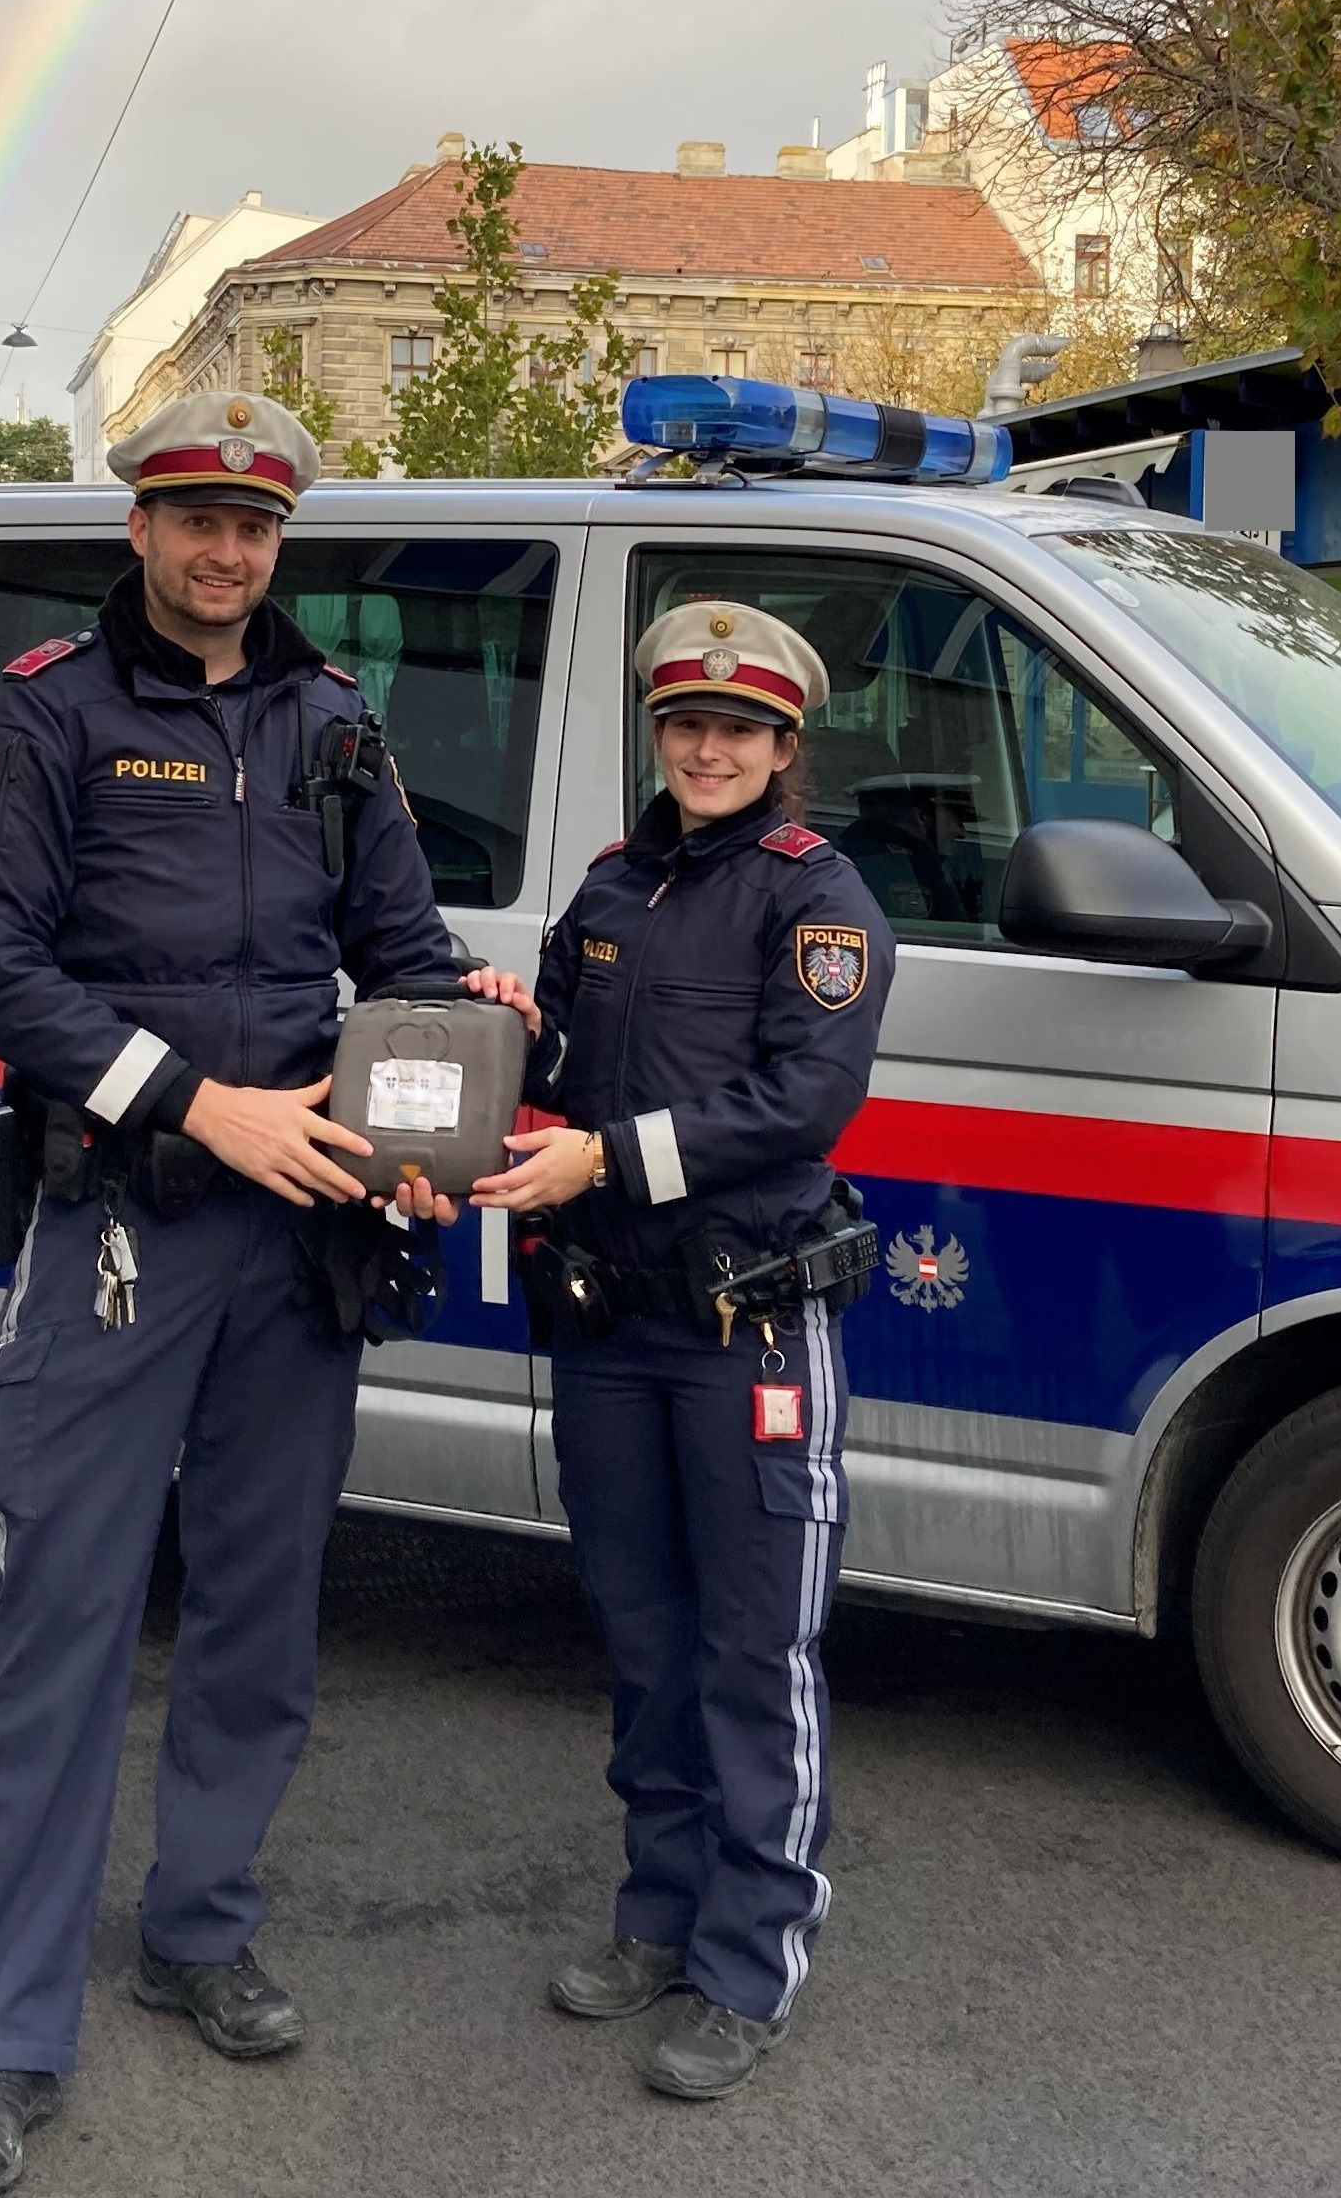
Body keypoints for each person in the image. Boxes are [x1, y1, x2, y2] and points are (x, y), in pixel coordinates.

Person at [0, 388, 528, 2197]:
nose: (224, 551)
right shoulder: (49, 712)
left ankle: (199, 1931)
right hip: (123, 1225)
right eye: (195, 518)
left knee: (260, 1617)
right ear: (141, 529)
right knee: (64, 1632)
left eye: (254, 528)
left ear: (280, 545)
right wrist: (196, 1103)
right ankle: (1, 2039)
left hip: (303, 1240)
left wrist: (456, 1055)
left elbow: (399, 955)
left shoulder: (336, 725)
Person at [472, 601, 894, 2102]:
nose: (708, 747)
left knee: (748, 1651)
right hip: (612, 1326)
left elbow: (798, 1103)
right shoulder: (607, 886)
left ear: (786, 748)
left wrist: (604, 1160)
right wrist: (505, 1037)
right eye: (685, 723)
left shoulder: (816, 899)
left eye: (740, 728)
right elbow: (565, 1077)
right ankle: (655, 1918)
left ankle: (746, 1960)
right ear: (658, 732)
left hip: (748, 1328)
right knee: (641, 1640)